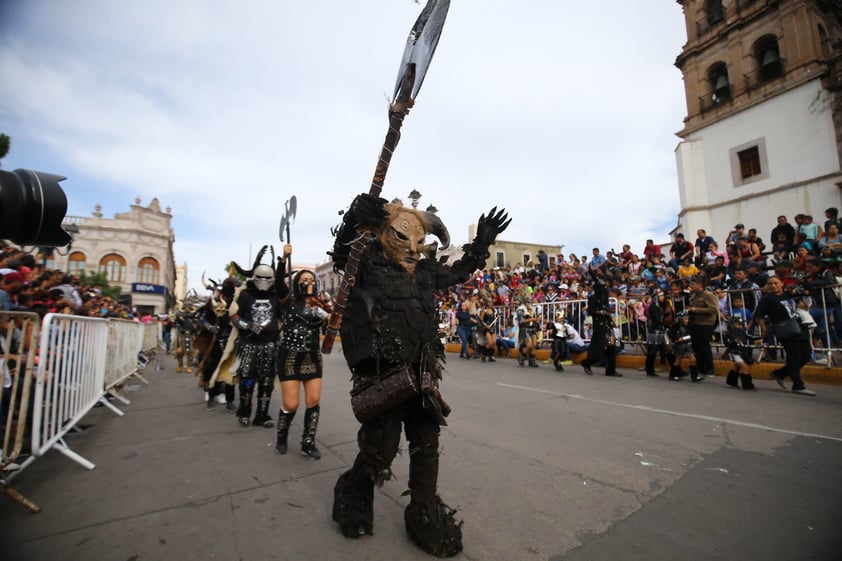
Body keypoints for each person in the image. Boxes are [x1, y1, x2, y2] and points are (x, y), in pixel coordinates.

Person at [329, 193, 509, 556]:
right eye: (401, 237)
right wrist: (353, 221)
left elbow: (460, 270)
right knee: (380, 449)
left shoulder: (426, 273)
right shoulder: (367, 265)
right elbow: (344, 256)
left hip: (423, 374)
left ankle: (423, 512)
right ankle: (354, 491)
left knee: (427, 445)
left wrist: (483, 241)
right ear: (383, 235)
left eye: (420, 241)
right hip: (383, 376)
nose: (412, 248)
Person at [274, 253, 332, 460]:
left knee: (313, 400)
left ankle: (308, 442)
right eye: (303, 280)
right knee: (291, 404)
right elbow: (279, 284)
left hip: (312, 356)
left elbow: (336, 320)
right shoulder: (287, 300)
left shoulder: (321, 303)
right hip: (289, 356)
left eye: (310, 279)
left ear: (316, 283)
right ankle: (282, 434)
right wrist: (283, 259)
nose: (307, 282)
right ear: (297, 284)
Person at [229, 245, 282, 428]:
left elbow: (284, 317)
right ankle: (244, 411)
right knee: (246, 379)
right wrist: (249, 325)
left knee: (267, 382)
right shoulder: (245, 295)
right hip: (248, 343)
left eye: (267, 278)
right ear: (253, 277)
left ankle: (262, 414)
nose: (263, 281)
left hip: (270, 345)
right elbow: (234, 316)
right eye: (259, 277)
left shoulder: (276, 296)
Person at [754, 276, 816, 396]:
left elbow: (804, 301)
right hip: (785, 329)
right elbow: (759, 316)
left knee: (806, 355)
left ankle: (780, 373)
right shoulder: (767, 299)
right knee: (794, 357)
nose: (773, 286)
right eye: (770, 283)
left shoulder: (788, 295)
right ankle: (798, 385)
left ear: (781, 283)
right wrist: (764, 329)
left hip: (799, 327)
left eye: (775, 283)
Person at [580, 271, 620, 376]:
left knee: (612, 347)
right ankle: (586, 363)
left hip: (608, 324)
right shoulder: (592, 298)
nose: (604, 288)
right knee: (598, 349)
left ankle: (611, 370)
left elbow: (600, 282)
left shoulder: (605, 296)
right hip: (599, 325)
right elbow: (591, 312)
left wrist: (594, 274)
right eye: (601, 287)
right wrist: (599, 312)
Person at [687, 275, 718, 377]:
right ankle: (700, 368)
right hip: (695, 323)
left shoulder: (708, 295)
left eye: (693, 284)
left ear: (700, 285)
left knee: (704, 347)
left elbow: (713, 310)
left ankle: (709, 369)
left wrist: (697, 310)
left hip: (705, 324)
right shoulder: (694, 295)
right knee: (696, 347)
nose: (691, 286)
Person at [723, 316, 758, 390]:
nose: (740, 326)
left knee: (737, 367)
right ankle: (747, 385)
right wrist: (733, 342)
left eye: (741, 324)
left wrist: (760, 337)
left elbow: (750, 337)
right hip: (734, 353)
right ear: (732, 324)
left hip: (742, 352)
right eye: (738, 324)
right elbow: (728, 343)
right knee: (745, 367)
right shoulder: (729, 334)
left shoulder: (742, 332)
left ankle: (732, 382)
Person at [666, 310, 702, 381]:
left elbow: (691, 334)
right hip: (680, 346)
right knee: (678, 361)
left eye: (687, 319)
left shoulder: (688, 326)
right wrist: (677, 338)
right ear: (680, 319)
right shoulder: (676, 326)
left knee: (693, 360)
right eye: (685, 319)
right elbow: (670, 333)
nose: (687, 320)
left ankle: (694, 376)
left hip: (688, 345)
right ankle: (672, 375)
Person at [644, 289, 673, 377]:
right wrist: (666, 317)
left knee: (669, 348)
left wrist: (670, 313)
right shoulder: (653, 306)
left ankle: (676, 369)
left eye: (663, 295)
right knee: (652, 351)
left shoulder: (664, 305)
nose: (663, 298)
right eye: (660, 296)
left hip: (663, 330)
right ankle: (649, 370)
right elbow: (657, 319)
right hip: (655, 331)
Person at [514, 298, 540, 367]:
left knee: (534, 344)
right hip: (525, 329)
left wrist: (537, 320)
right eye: (528, 302)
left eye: (530, 302)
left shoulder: (533, 309)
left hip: (533, 328)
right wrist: (532, 319)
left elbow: (535, 319)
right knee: (529, 345)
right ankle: (521, 356)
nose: (529, 303)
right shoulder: (520, 309)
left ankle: (532, 362)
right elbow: (521, 321)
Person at [174, 306, 197, 373]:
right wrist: (180, 328)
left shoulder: (193, 315)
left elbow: (196, 324)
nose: (187, 308)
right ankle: (180, 365)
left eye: (189, 307)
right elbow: (177, 323)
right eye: (186, 306)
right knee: (179, 351)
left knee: (191, 351)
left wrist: (194, 328)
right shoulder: (180, 314)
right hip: (182, 334)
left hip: (191, 334)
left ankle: (189, 366)